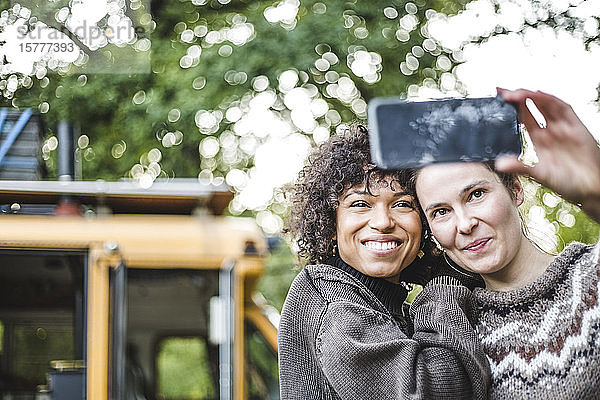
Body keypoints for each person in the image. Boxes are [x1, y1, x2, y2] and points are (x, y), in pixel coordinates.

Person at [278, 125, 490, 399]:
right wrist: (442, 285)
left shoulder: (375, 299)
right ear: (332, 224)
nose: (382, 222)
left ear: (424, 224)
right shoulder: (333, 303)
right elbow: (438, 390)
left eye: (402, 204)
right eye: (360, 204)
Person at [414, 88, 600, 398]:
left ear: (515, 189)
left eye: (476, 195)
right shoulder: (450, 338)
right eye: (441, 212)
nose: (465, 224)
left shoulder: (593, 276)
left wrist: (596, 193)